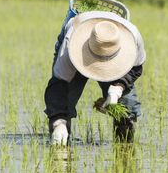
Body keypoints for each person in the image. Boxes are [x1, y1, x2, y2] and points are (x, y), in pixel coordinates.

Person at [44, 8, 146, 146]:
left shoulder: (132, 37)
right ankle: (60, 144)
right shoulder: (70, 47)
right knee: (63, 106)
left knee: (126, 108)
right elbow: (58, 86)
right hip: (78, 51)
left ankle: (124, 151)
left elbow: (136, 67)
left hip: (113, 56)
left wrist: (118, 88)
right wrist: (58, 121)